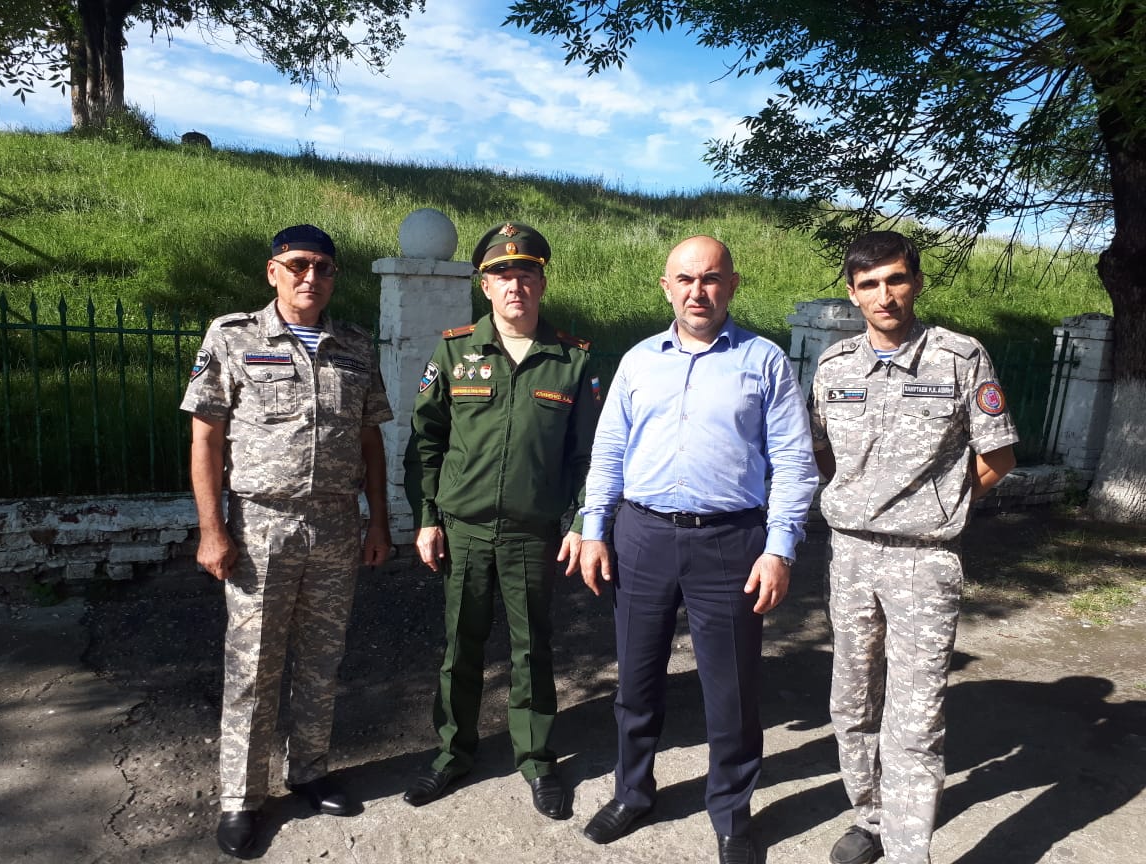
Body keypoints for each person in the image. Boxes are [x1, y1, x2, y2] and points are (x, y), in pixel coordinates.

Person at [575, 236, 819, 864]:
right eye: (684, 279)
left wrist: (779, 549)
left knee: (731, 690)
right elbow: (609, 451)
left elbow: (795, 462)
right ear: (666, 287)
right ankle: (633, 792)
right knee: (635, 681)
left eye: (710, 278)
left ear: (732, 285)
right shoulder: (637, 362)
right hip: (643, 537)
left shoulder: (764, 361)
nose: (697, 291)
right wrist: (595, 528)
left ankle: (732, 816)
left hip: (731, 543)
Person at [181, 224, 394, 858]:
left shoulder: (355, 346)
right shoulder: (234, 336)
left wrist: (378, 520)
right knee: (253, 665)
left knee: (322, 658)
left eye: (323, 267)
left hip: (335, 524)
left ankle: (309, 771)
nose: (311, 277)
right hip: (260, 524)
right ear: (273, 271)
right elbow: (206, 437)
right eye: (298, 264)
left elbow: (370, 440)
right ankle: (241, 797)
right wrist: (212, 528)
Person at [809, 231, 1018, 864]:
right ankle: (870, 817)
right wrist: (860, 502)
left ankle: (907, 849)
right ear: (853, 294)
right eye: (869, 284)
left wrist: (938, 506)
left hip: (924, 562)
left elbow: (998, 457)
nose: (885, 295)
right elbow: (821, 454)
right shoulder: (834, 366)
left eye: (896, 279)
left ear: (917, 282)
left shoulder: (959, 358)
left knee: (916, 714)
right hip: (850, 556)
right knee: (851, 702)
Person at [402, 221, 601, 819]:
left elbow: (591, 455)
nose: (515, 286)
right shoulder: (455, 352)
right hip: (462, 531)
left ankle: (536, 759)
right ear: (484, 285)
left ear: (542, 282)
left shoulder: (571, 360)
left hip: (531, 534)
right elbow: (425, 442)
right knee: (460, 646)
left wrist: (580, 522)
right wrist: (427, 518)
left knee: (532, 649)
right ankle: (452, 753)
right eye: (502, 275)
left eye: (526, 274)